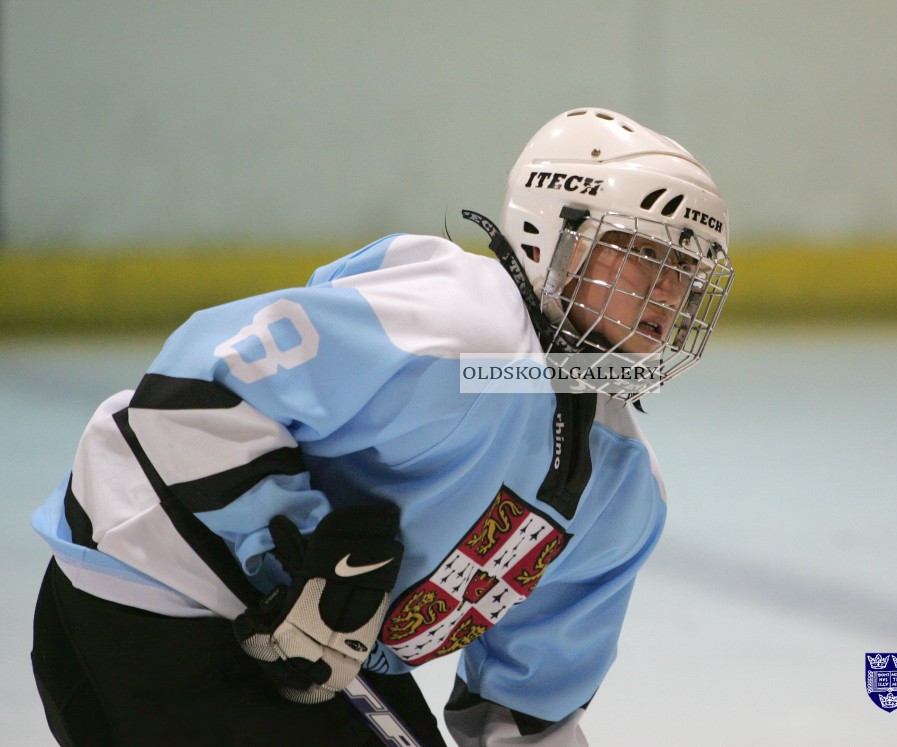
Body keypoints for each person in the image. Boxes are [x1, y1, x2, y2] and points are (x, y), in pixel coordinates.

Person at [30, 107, 735, 746]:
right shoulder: (460, 322)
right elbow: (187, 400)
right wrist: (291, 559)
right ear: (557, 234)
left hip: (294, 661)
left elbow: (524, 714)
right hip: (140, 590)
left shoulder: (623, 490)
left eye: (687, 269)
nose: (671, 292)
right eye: (645, 252)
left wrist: (313, 600)